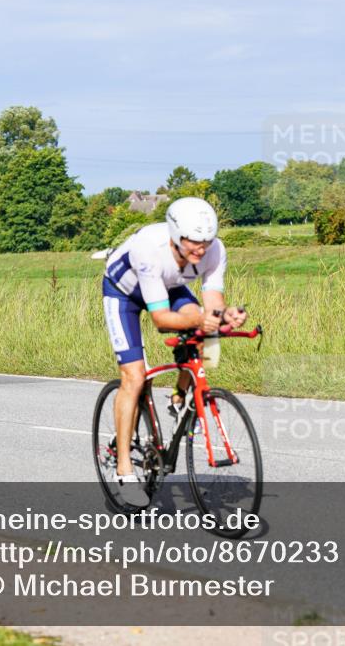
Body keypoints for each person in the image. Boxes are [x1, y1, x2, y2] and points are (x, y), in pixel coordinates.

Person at [101, 197, 247, 506]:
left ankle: (180, 396)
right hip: (124, 292)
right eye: (194, 243)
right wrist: (199, 318)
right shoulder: (148, 248)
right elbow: (161, 320)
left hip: (168, 286)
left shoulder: (215, 251)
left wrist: (224, 316)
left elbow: (212, 304)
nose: (201, 250)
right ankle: (125, 469)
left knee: (208, 334)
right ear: (175, 234)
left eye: (206, 242)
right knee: (135, 378)